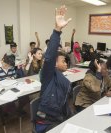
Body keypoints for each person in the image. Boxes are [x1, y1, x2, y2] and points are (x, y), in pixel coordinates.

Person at [35, 5, 72, 133]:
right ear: (55, 65)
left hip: (60, 118)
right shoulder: (48, 75)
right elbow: (50, 57)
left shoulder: (61, 78)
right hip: (47, 122)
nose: (66, 63)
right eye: (63, 61)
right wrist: (57, 30)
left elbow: (64, 104)